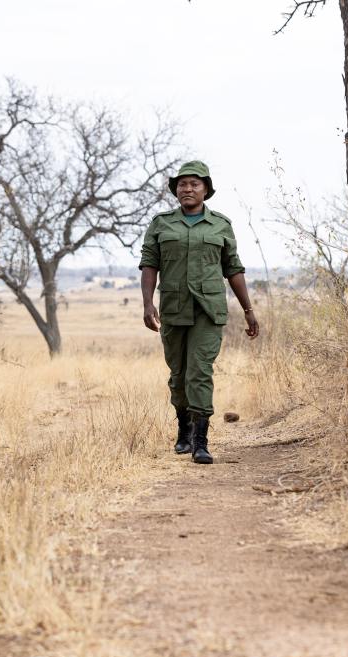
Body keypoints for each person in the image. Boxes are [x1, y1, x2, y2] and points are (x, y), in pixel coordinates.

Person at [138, 161, 260, 464]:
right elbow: (149, 264)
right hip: (173, 309)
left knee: (200, 372)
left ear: (206, 189)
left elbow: (234, 268)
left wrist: (248, 310)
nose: (187, 189)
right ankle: (184, 430)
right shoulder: (161, 223)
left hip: (208, 310)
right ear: (176, 190)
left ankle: (201, 442)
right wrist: (147, 303)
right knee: (178, 374)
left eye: (194, 184)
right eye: (182, 184)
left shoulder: (220, 224)